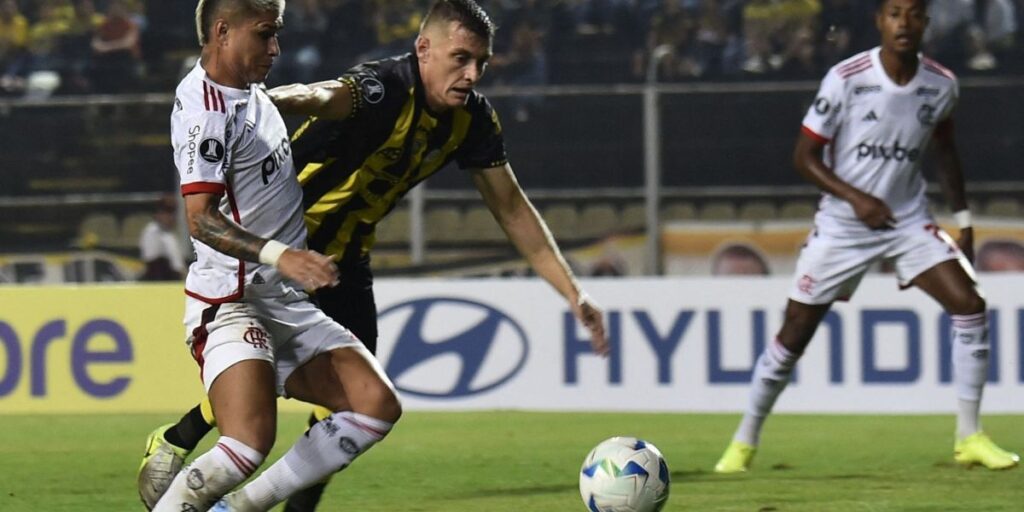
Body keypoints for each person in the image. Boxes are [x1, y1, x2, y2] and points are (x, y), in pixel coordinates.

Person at [139, 1, 610, 510]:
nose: (471, 74)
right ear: (423, 49)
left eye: (481, 63)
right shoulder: (384, 87)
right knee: (254, 415)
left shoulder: (471, 122)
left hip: (341, 266)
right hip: (277, 251)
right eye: (460, 58)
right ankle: (183, 437)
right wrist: (268, 101)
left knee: (360, 410)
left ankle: (244, 502)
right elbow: (324, 94)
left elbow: (513, 209)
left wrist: (572, 291)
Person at [713, 0, 1018, 474]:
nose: (904, 23)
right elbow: (804, 157)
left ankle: (970, 436)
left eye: (914, 14)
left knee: (970, 305)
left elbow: (946, 152)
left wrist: (965, 221)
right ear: (880, 21)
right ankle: (743, 442)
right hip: (843, 226)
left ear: (926, 23)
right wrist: (857, 198)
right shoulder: (847, 78)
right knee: (795, 332)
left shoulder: (942, 85)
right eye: (894, 13)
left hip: (906, 221)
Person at [150, 1, 404, 510]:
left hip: (283, 299)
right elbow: (200, 217)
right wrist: (280, 255)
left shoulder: (251, 92)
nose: (275, 47)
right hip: (233, 300)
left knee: (375, 405)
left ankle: (238, 507)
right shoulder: (206, 109)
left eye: (277, 34)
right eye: (264, 34)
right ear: (222, 31)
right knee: (247, 442)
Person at [138, 194, 186, 281]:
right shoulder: (152, 231)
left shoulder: (170, 234)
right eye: (166, 213)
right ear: (157, 214)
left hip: (175, 280)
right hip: (161, 280)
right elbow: (153, 263)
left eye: (172, 213)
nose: (170, 217)